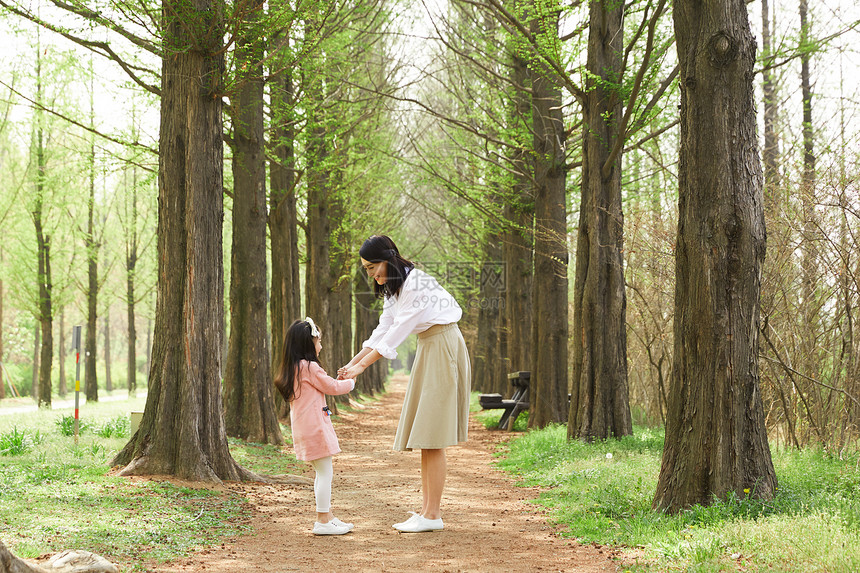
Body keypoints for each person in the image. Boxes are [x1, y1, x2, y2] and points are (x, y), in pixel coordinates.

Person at [338, 235, 471, 533]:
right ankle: (427, 512)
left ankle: (433, 515)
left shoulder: (417, 284)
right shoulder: (396, 288)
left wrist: (360, 367)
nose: (371, 274)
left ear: (389, 257)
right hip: (430, 346)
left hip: (443, 345)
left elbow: (397, 334)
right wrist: (352, 363)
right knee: (425, 435)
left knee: (432, 435)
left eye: (374, 266)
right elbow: (382, 329)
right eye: (367, 269)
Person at [274, 317, 356, 536]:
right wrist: (352, 381)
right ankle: (322, 520)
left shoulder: (295, 368)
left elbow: (325, 384)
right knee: (326, 474)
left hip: (306, 429)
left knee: (322, 473)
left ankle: (327, 516)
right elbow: (331, 387)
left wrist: (336, 379)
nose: (321, 345)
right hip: (315, 429)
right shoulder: (309, 367)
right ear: (308, 344)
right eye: (318, 341)